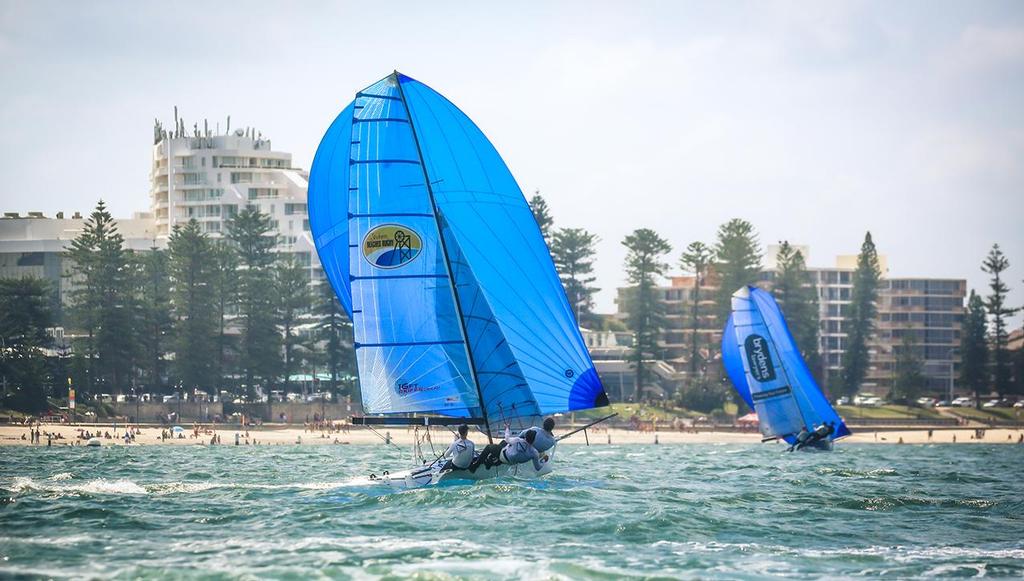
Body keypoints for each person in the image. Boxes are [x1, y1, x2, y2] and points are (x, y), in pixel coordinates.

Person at [469, 425, 542, 473]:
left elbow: (507, 438)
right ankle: (490, 462)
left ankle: (475, 466)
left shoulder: (518, 440)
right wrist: (543, 460)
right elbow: (538, 468)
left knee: (489, 447)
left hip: (503, 456)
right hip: (510, 463)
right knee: (503, 443)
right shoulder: (534, 452)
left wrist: (507, 428)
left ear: (525, 436)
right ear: (534, 440)